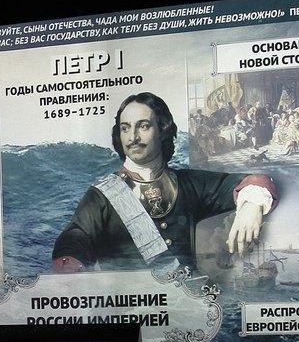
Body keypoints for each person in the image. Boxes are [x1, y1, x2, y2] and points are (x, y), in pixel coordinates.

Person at [51, 92, 276, 272]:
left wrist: (251, 205)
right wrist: (69, 264)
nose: (133, 137)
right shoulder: (101, 196)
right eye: (125, 128)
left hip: (188, 304)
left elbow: (253, 181)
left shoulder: (188, 183)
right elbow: (75, 237)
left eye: (143, 126)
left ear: (163, 130)